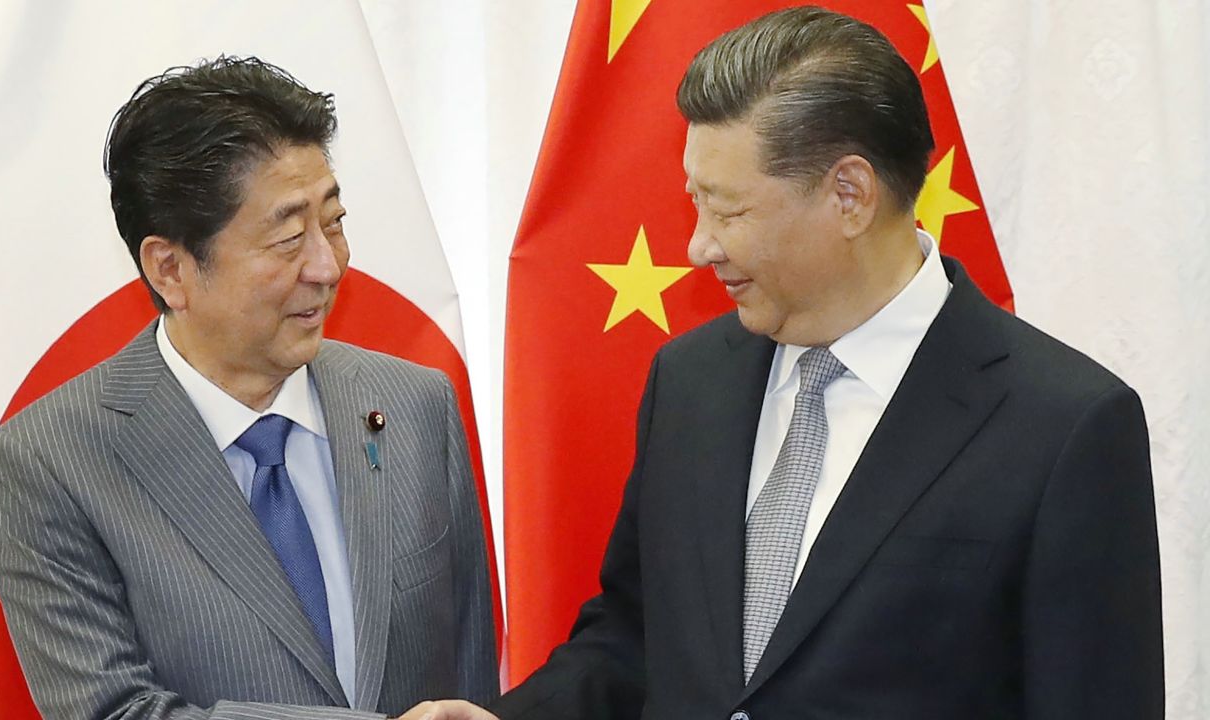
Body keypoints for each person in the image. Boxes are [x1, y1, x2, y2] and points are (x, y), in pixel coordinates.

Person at [483, 6, 1164, 719]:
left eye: (728, 211)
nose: (699, 246)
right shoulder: (688, 382)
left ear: (850, 195)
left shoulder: (1064, 427)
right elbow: (635, 639)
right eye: (696, 204)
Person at [0, 56, 498, 720]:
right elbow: (110, 711)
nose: (327, 264)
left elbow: (469, 684)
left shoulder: (414, 406)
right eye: (287, 239)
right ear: (170, 269)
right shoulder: (53, 461)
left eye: (333, 222)